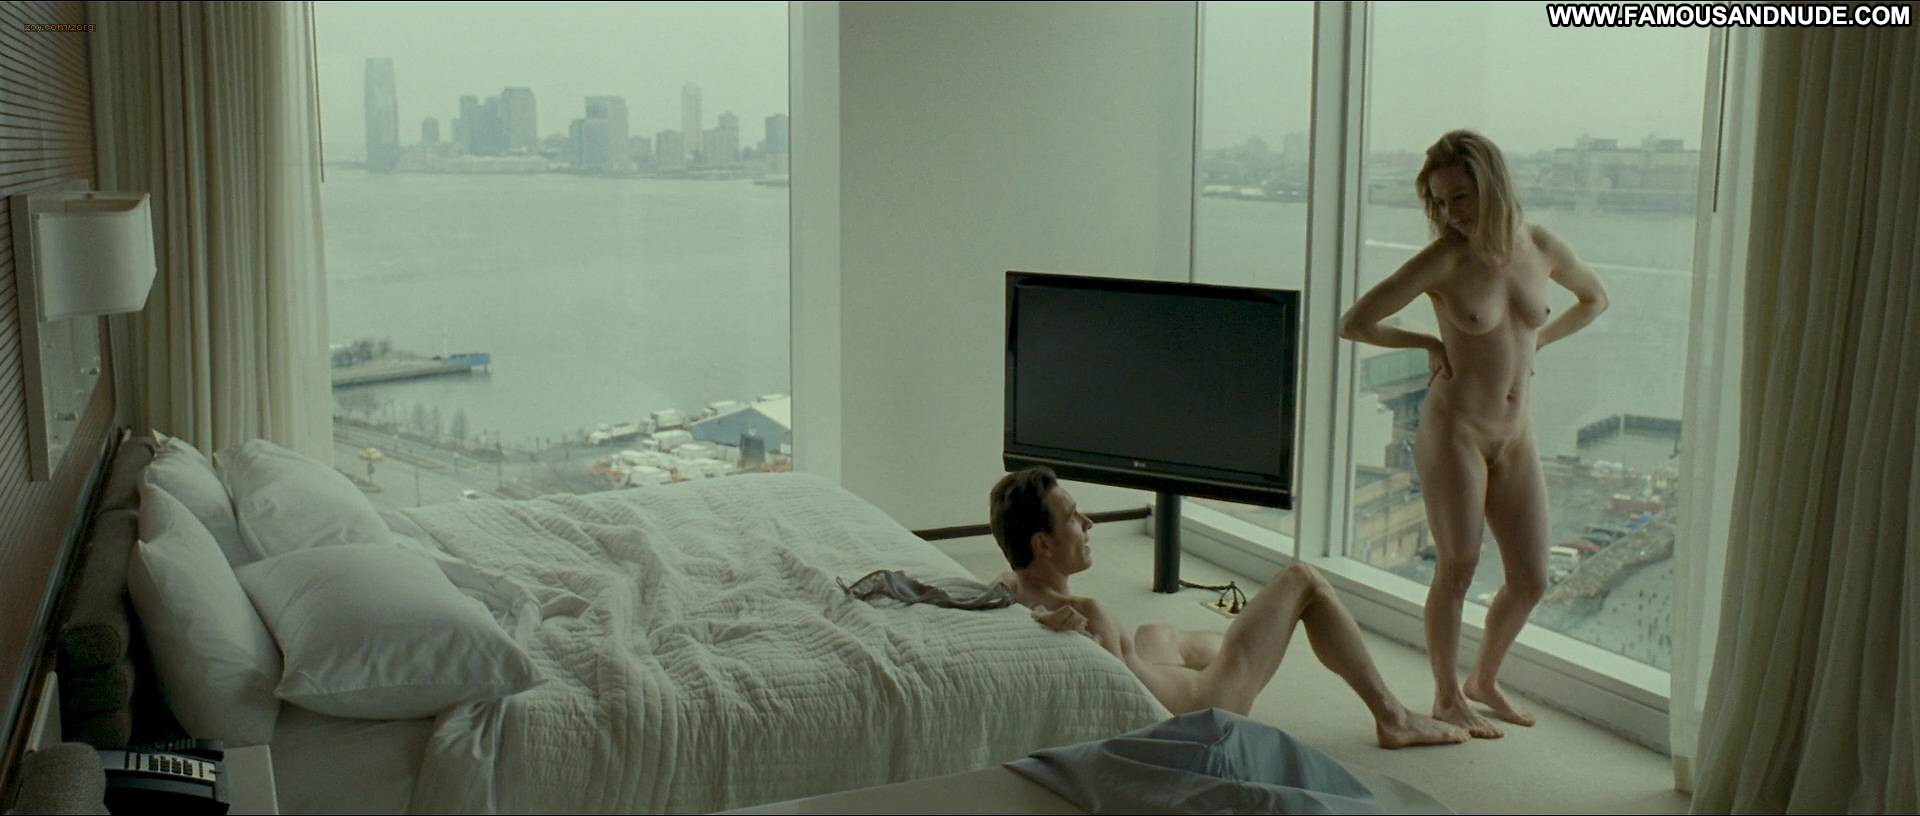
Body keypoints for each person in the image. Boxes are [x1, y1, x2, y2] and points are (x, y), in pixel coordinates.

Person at [1338, 129, 1609, 739]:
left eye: (1460, 197)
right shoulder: (1443, 260)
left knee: (1531, 578)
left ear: (1493, 185)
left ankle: (1484, 680)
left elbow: (1594, 299)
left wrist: (1539, 340)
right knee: (1458, 566)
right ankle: (1445, 697)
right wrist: (1427, 342)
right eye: (1439, 202)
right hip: (1455, 430)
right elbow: (1355, 323)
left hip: (1515, 435)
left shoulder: (1541, 246)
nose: (1450, 212)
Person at [987, 466, 1468, 750]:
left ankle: (1248, 645)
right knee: (1302, 580)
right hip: (1201, 712)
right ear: (1043, 544)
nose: (1088, 522)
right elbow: (1111, 704)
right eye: (1073, 518)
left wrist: (1039, 618)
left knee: (1156, 630)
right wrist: (1067, 631)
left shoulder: (1015, 588)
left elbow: (1001, 590)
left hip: (1155, 674)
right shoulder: (1085, 613)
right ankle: (1393, 717)